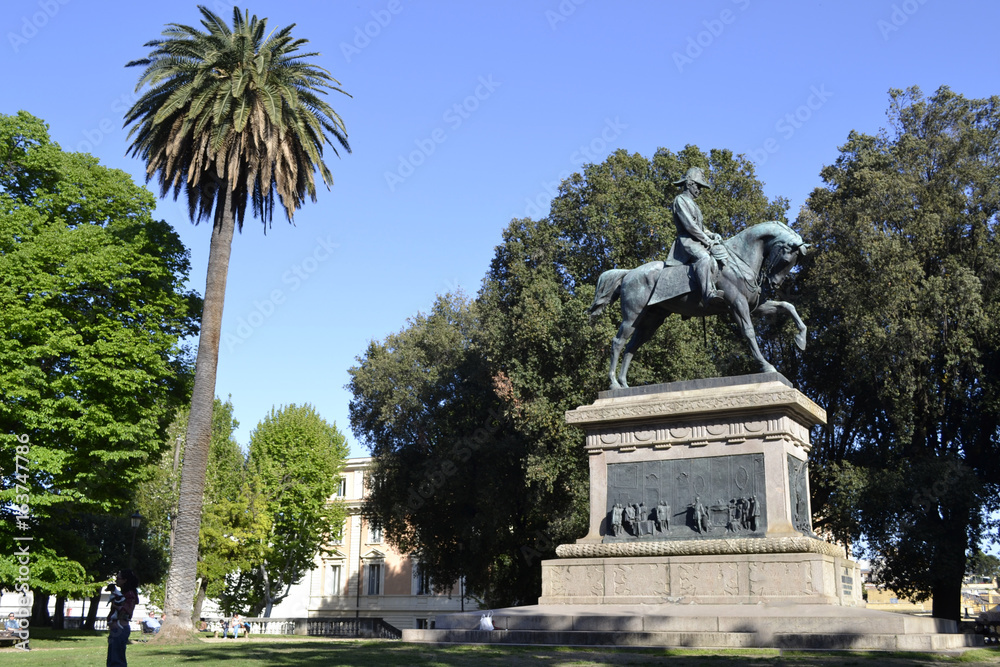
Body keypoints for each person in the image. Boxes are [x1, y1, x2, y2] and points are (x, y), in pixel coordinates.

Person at [665, 166, 729, 306]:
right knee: (704, 258)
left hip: (697, 240)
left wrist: (712, 235)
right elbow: (690, 226)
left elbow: (701, 227)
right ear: (689, 184)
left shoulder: (693, 204)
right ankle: (708, 294)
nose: (700, 190)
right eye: (698, 186)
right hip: (687, 241)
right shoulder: (680, 200)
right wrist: (707, 240)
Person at [106, 569, 138, 667]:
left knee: (117, 659)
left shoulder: (129, 594)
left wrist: (115, 605)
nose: (116, 580)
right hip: (116, 628)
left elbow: (127, 611)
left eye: (118, 578)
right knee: (112, 658)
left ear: (125, 580)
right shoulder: (122, 594)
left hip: (120, 627)